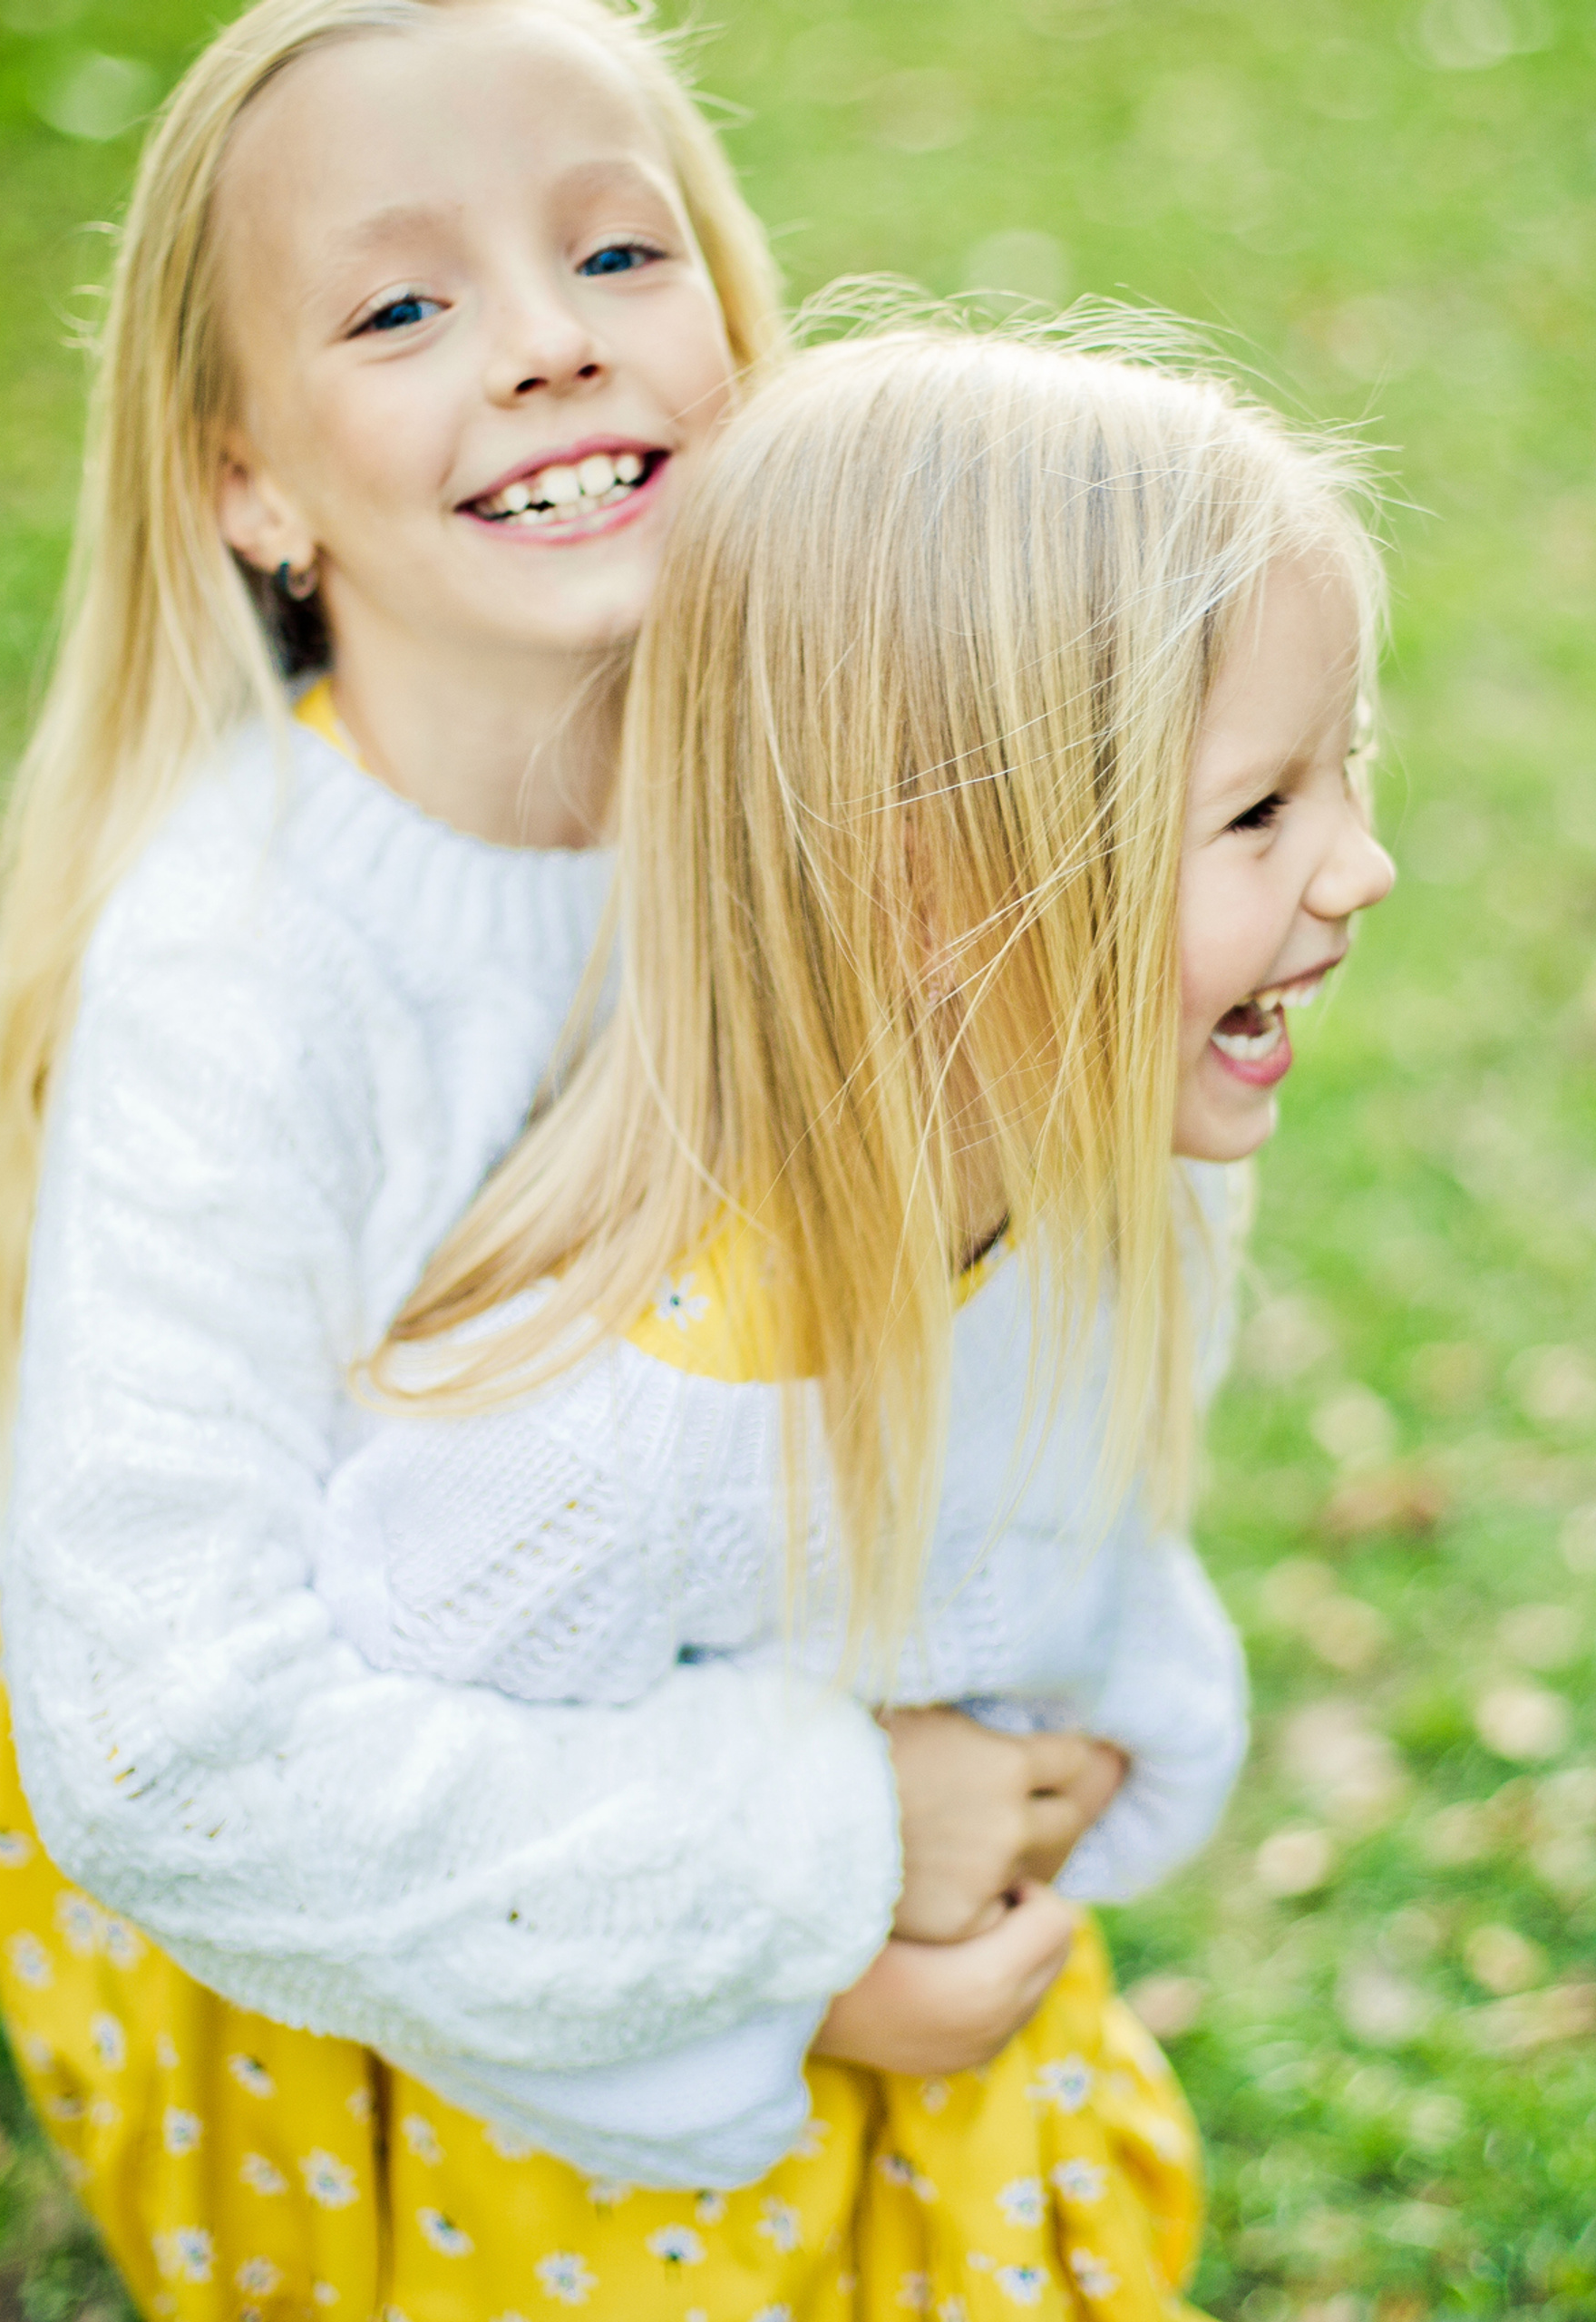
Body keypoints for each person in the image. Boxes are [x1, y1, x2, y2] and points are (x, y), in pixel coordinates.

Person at [0, 3, 1117, 2309]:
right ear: (248, 479)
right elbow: (179, 1757)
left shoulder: (847, 818)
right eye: (399, 304)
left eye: (618, 255)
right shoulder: (241, 982)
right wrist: (821, 1891)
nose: (548, 344)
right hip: (427, 2008)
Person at [303, 322, 1397, 2311]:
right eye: (1255, 814)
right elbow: (413, 1872)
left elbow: (1062, 1565)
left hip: (952, 2131)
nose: (1362, 863)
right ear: (932, 889)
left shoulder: (1104, 1187)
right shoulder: (607, 1433)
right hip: (645, 2229)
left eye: (1344, 773)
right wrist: (807, 2000)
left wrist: (1091, 1767)